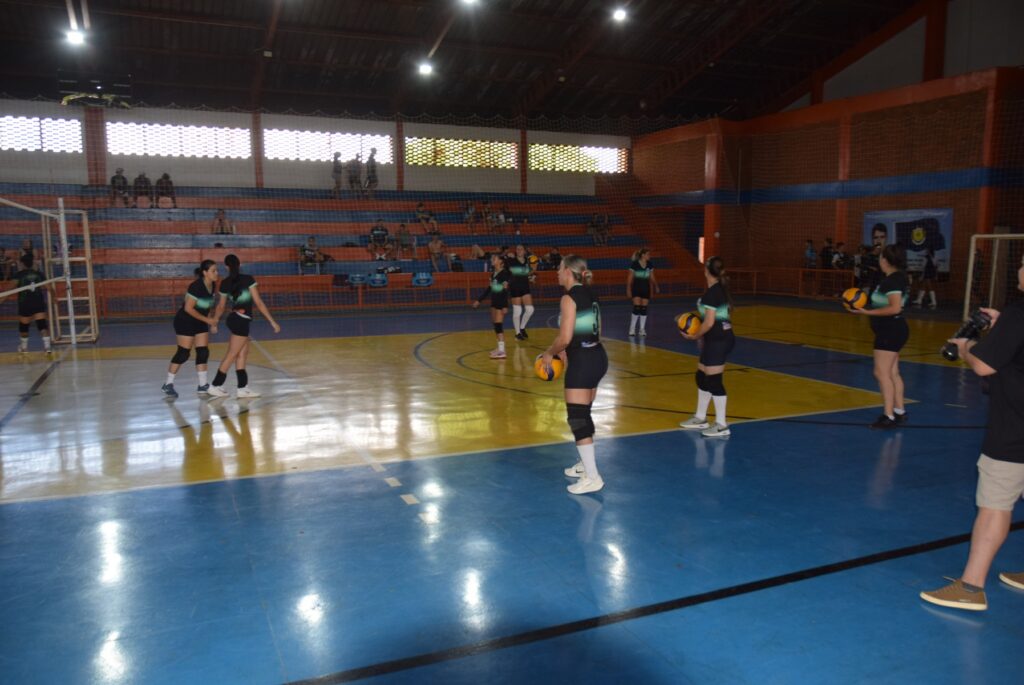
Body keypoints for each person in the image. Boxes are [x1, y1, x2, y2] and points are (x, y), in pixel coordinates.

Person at [919, 253, 1024, 611]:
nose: (1020, 269)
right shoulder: (1014, 318)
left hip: (1015, 429)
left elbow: (983, 364)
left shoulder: (1019, 312)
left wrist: (965, 347)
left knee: (994, 506)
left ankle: (970, 587)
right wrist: (1002, 328)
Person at [540, 255, 609, 495]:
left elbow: (565, 338)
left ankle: (593, 478)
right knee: (585, 414)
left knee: (577, 419)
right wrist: (570, 354)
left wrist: (549, 354)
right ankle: (584, 464)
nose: (556, 273)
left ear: (569, 271)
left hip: (584, 360)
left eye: (559, 269)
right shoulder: (591, 293)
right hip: (598, 356)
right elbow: (596, 330)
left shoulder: (568, 298)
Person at [849, 244, 909, 429]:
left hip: (889, 330)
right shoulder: (898, 277)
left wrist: (867, 313)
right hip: (894, 329)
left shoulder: (892, 281)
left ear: (885, 260)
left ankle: (888, 416)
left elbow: (894, 307)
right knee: (892, 372)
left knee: (881, 373)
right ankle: (899, 411)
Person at [207, 255, 280, 398]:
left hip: (236, 319)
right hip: (240, 320)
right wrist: (272, 321)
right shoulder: (248, 279)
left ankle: (242, 388)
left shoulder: (225, 282)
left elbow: (221, 306)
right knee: (232, 354)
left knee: (242, 354)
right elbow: (258, 302)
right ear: (239, 264)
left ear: (226, 266)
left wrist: (215, 320)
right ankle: (215, 385)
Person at [678, 256, 735, 438]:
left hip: (718, 340)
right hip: (715, 339)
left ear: (706, 272)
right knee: (701, 377)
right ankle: (701, 418)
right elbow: (708, 319)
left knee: (714, 382)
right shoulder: (718, 290)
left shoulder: (712, 293)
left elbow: (709, 323)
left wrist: (694, 335)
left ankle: (721, 424)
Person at [161, 260, 219, 398]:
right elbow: (188, 308)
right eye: (213, 271)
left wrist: (211, 322)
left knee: (203, 352)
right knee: (183, 353)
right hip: (185, 320)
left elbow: (208, 305)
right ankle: (168, 384)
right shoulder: (196, 286)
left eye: (216, 270)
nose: (216, 273)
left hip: (200, 320)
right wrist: (208, 320)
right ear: (205, 273)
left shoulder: (212, 285)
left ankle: (202, 385)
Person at [6, 254, 50, 353]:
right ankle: (47, 347)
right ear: (32, 263)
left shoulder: (19, 275)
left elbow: (8, 290)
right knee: (42, 325)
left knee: (24, 327)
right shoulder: (39, 274)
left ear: (22, 264)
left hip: (25, 304)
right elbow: (49, 287)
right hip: (38, 302)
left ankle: (24, 348)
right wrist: (55, 298)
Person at [472, 253, 511, 359]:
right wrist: (479, 300)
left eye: (495, 258)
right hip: (494, 302)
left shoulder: (505, 274)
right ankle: (499, 348)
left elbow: (505, 291)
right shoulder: (493, 273)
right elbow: (489, 289)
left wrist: (505, 306)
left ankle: (502, 351)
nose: (492, 259)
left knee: (499, 326)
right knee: (495, 326)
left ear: (501, 262)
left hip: (500, 303)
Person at [627, 248, 659, 337]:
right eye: (648, 254)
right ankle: (632, 329)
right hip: (636, 288)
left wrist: (655, 286)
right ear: (643, 255)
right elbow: (630, 278)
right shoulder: (635, 264)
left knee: (644, 309)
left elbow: (652, 277)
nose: (650, 256)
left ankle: (642, 329)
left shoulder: (649, 264)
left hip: (646, 289)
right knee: (637, 308)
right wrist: (628, 289)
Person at [507, 244, 536, 341]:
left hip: (525, 287)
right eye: (517, 249)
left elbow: (529, 273)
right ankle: (517, 333)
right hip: (514, 287)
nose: (518, 250)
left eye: (520, 249)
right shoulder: (511, 260)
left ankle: (522, 327)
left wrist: (531, 277)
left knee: (530, 309)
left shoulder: (528, 261)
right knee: (517, 311)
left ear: (524, 251)